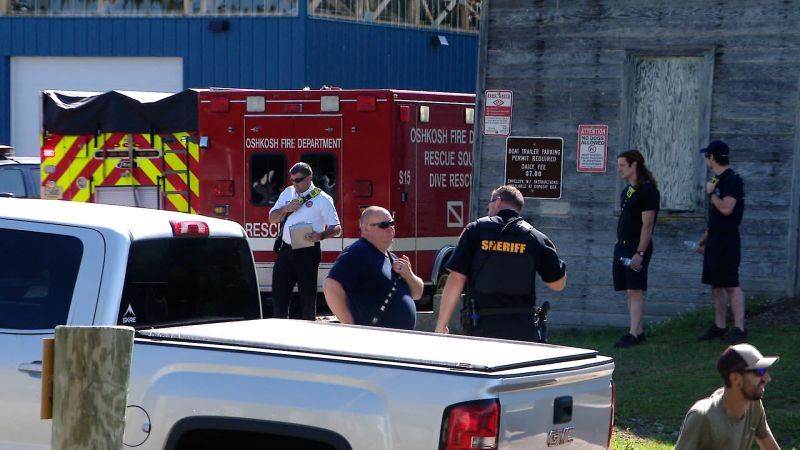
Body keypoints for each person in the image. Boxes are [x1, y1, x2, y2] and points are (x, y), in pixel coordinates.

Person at [434, 185, 566, 341]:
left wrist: (441, 325)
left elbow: (456, 278)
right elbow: (557, 284)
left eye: (489, 205)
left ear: (497, 202)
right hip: (522, 332)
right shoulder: (535, 237)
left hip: (481, 328)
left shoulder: (474, 231)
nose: (488, 209)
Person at [323, 206, 424, 330]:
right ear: (366, 228)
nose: (391, 228)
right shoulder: (358, 252)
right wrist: (350, 325)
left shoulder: (392, 257)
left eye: (392, 223)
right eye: (384, 225)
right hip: (375, 340)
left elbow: (417, 294)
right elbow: (331, 286)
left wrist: (409, 276)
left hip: (398, 339)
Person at [269, 162, 341, 320]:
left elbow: (336, 228)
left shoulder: (322, 199)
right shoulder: (288, 193)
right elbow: (272, 219)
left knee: (307, 300)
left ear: (309, 179)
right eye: (292, 180)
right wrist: (285, 209)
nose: (294, 183)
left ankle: (308, 335)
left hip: (308, 251)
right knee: (279, 297)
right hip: (286, 250)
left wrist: (320, 235)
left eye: (298, 180)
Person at [674, 343, 781, 450]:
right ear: (735, 378)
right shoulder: (702, 417)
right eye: (759, 371)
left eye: (765, 370)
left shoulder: (753, 405)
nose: (767, 378)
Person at [695, 140, 748, 344]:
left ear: (713, 157)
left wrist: (710, 194)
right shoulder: (717, 179)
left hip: (727, 239)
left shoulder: (731, 180)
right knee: (716, 285)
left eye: (707, 156)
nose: (706, 160)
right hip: (715, 238)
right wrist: (706, 236)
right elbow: (717, 215)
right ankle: (719, 327)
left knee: (731, 284)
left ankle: (740, 328)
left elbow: (727, 209)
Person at [612, 149, 660, 348]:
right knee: (629, 291)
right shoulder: (628, 191)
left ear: (634, 165)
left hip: (636, 247)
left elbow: (647, 225)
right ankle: (637, 331)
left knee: (636, 289)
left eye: (623, 165)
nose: (619, 169)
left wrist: (640, 252)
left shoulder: (648, 191)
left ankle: (633, 334)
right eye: (619, 165)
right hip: (622, 247)